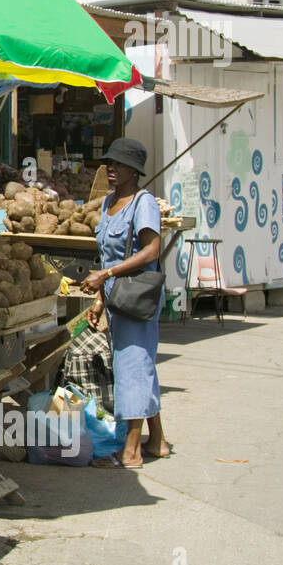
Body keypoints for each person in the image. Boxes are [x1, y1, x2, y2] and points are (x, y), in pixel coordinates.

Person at [80, 137, 171, 468]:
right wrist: (100, 302)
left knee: (131, 366)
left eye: (118, 164)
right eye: (108, 163)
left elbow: (151, 250)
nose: (110, 169)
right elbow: (106, 251)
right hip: (116, 295)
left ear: (134, 171)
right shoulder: (107, 202)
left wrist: (107, 275)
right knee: (140, 363)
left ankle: (130, 452)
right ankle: (157, 440)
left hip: (137, 295)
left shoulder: (142, 203)